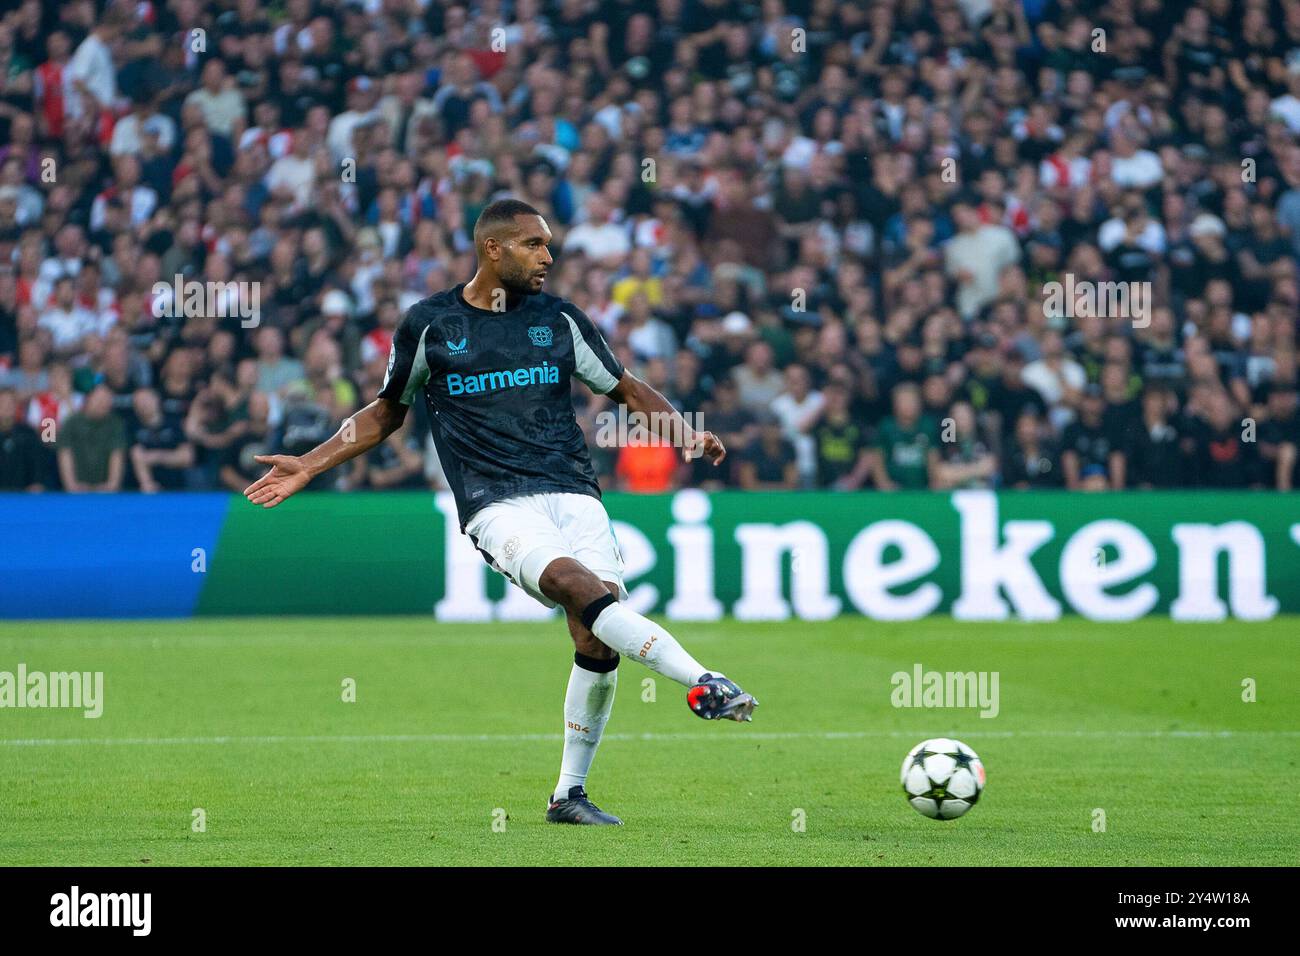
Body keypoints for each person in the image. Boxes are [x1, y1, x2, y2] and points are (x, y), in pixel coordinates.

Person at [243, 199, 757, 826]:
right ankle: (704, 679)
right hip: (496, 501)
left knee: (595, 630)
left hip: (574, 491)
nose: (548, 257)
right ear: (494, 248)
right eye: (535, 245)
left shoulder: (559, 319)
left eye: (550, 247)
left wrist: (680, 430)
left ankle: (568, 795)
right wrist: (310, 463)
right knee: (575, 586)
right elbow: (386, 411)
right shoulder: (430, 324)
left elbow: (622, 384)